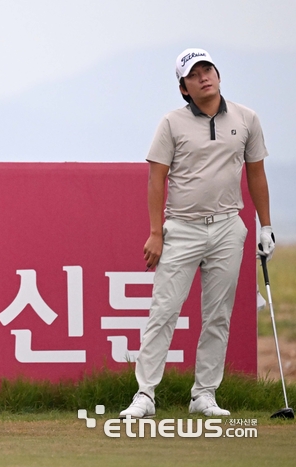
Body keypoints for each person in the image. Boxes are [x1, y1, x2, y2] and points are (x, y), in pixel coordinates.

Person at [120, 49, 275, 418]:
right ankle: (145, 394)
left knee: (218, 314)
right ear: (184, 88)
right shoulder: (172, 123)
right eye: (194, 74)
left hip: (227, 226)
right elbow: (157, 177)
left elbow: (256, 173)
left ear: (218, 75)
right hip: (181, 228)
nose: (204, 77)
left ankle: (204, 394)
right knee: (164, 310)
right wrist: (156, 232)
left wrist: (265, 225)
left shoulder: (246, 118)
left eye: (208, 69)